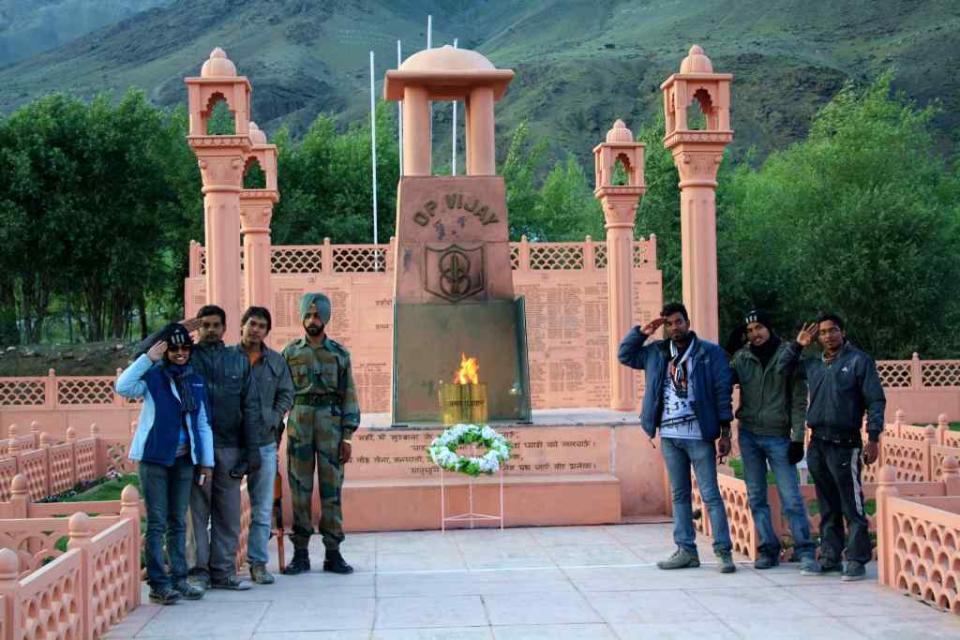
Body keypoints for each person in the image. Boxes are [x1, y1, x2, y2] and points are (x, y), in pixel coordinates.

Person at [618, 302, 737, 573]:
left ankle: (723, 551)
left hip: (698, 434)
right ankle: (686, 550)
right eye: (669, 323)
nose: (674, 328)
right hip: (670, 435)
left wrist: (725, 432)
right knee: (680, 494)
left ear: (688, 322)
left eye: (678, 322)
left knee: (710, 494)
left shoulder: (709, 353)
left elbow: (722, 392)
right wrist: (643, 332)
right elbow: (625, 355)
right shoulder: (657, 353)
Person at [777, 312, 885, 581]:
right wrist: (797, 345)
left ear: (842, 332)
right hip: (818, 443)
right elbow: (782, 369)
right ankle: (830, 556)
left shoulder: (859, 361)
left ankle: (857, 559)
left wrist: (873, 438)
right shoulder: (814, 364)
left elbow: (875, 401)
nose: (828, 335)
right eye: (823, 332)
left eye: (833, 330)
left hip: (845, 443)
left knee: (852, 504)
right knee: (827, 504)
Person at [117, 323, 212, 605]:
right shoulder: (154, 377)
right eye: (174, 348)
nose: (181, 353)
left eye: (185, 348)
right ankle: (159, 584)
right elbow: (122, 386)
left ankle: (180, 579)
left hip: (184, 460)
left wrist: (206, 463)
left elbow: (203, 423)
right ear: (166, 350)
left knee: (178, 521)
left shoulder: (194, 381)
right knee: (158, 522)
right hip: (155, 459)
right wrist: (148, 358)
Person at [729, 309, 819, 573]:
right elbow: (722, 377)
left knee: (791, 496)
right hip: (748, 435)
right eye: (749, 330)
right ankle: (768, 548)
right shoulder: (743, 358)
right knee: (756, 496)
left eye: (759, 327)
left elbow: (799, 401)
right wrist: (732, 346)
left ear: (769, 328)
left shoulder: (788, 356)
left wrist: (797, 439)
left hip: (778, 436)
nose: (754, 334)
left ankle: (805, 550)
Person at [281, 293, 360, 575]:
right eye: (308, 315)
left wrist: (347, 436)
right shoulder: (290, 353)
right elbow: (281, 394)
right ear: (302, 317)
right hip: (300, 423)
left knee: (331, 489)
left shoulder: (339, 354)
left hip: (330, 425)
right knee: (299, 489)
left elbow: (348, 394)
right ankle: (300, 553)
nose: (313, 320)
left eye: (318, 315)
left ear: (326, 318)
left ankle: (333, 552)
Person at [186, 305, 262, 591]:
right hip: (196, 450)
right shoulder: (186, 358)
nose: (210, 330)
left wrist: (251, 450)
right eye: (204, 325)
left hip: (229, 448)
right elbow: (144, 351)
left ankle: (223, 572)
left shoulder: (237, 360)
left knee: (228, 513)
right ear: (198, 328)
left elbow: (251, 406)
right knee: (195, 514)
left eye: (216, 325)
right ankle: (198, 572)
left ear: (225, 328)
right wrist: (183, 327)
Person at [238, 306, 294, 584]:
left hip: (264, 441)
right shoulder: (228, 359)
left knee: (261, 508)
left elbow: (287, 393)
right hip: (231, 443)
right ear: (242, 326)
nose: (256, 329)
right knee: (223, 508)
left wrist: (274, 417)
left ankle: (258, 564)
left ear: (266, 331)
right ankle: (221, 566)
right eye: (252, 324)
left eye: (261, 325)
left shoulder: (275, 362)